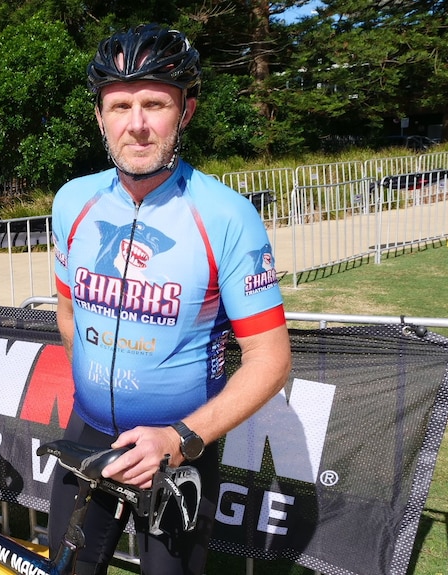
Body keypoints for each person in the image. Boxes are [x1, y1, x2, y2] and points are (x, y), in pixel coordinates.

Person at [48, 24, 292, 575]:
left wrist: (180, 437)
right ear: (99, 117)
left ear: (186, 111)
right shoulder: (72, 203)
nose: (136, 125)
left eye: (154, 103)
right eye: (119, 106)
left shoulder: (227, 216)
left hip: (179, 449)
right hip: (88, 433)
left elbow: (271, 361)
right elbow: (68, 312)